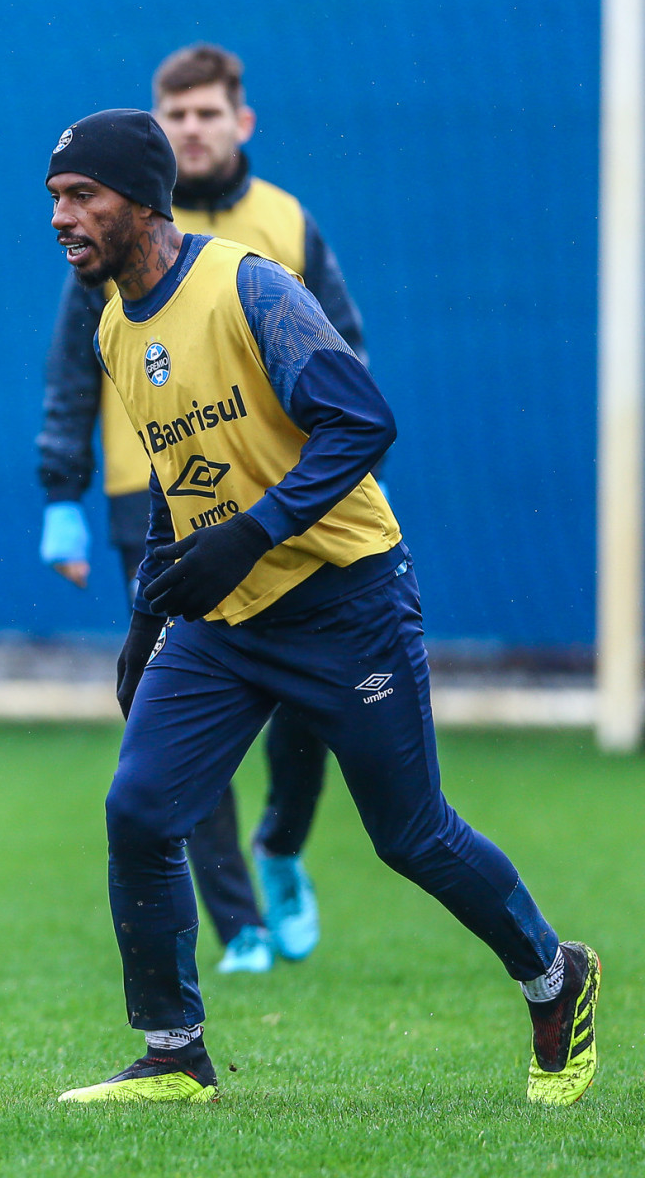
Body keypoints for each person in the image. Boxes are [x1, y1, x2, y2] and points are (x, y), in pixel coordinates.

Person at [42, 109, 598, 1104]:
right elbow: (182, 487)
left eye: (80, 196)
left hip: (346, 602)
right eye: (54, 200)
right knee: (137, 808)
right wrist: (143, 623)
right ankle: (173, 1055)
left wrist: (251, 532)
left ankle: (553, 978)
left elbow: (362, 421)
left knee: (410, 835)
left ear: (140, 198)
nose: (61, 217)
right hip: (224, 623)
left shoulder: (246, 286)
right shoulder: (113, 328)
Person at [36, 44, 365, 973]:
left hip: (281, 494)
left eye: (208, 112)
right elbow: (70, 368)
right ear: (159, 136)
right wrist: (61, 489)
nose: (192, 127)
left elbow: (349, 357)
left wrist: (333, 465)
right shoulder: (101, 235)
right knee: (182, 703)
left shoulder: (283, 228)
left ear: (239, 122)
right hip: (158, 495)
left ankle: (282, 847)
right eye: (175, 114)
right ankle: (241, 924)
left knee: (304, 710)